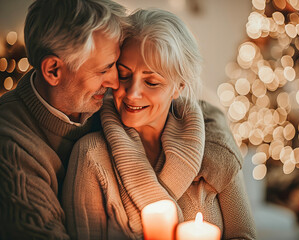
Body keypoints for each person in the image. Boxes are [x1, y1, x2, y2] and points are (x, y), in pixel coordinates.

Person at [63, 8, 257, 240]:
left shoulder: (216, 147)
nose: (132, 94)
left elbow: (244, 235)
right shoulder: (90, 155)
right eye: (124, 75)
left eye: (152, 82)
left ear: (179, 87)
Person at [0, 0, 128, 238]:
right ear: (53, 71)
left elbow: (188, 105)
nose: (115, 81)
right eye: (104, 69)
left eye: (115, 65)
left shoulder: (104, 97)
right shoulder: (11, 145)